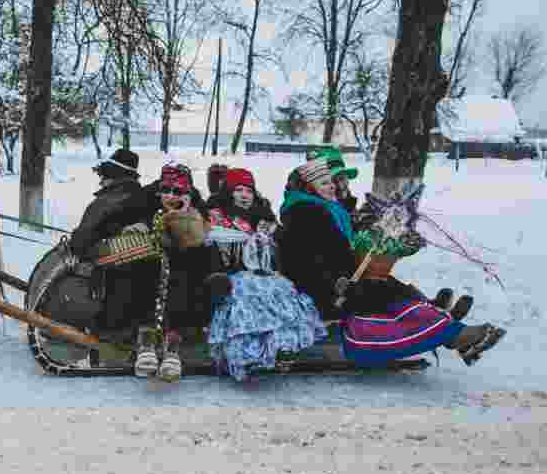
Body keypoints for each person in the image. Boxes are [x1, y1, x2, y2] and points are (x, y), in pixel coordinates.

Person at [278, 158, 505, 367]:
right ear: (309, 188)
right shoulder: (305, 214)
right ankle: (451, 333)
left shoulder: (324, 210)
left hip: (339, 280)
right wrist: (338, 284)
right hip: (323, 291)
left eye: (331, 182)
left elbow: (340, 250)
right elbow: (306, 263)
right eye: (324, 183)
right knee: (387, 293)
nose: (332, 187)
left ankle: (449, 329)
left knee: (389, 288)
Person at [69, 163, 221, 382]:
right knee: (140, 276)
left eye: (178, 192)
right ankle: (145, 342)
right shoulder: (143, 199)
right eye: (166, 190)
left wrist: (184, 218)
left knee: (185, 279)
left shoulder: (196, 208)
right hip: (145, 262)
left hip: (181, 267)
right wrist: (130, 227)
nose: (171, 196)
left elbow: (203, 242)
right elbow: (110, 220)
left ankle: (173, 346)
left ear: (188, 193)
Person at [202, 168, 327, 380]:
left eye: (249, 191)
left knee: (281, 293)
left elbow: (284, 247)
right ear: (229, 193)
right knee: (249, 297)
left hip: (266, 274)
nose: (244, 195)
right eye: (238, 190)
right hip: (233, 276)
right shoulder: (217, 219)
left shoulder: (264, 219)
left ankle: (280, 347)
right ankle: (249, 353)